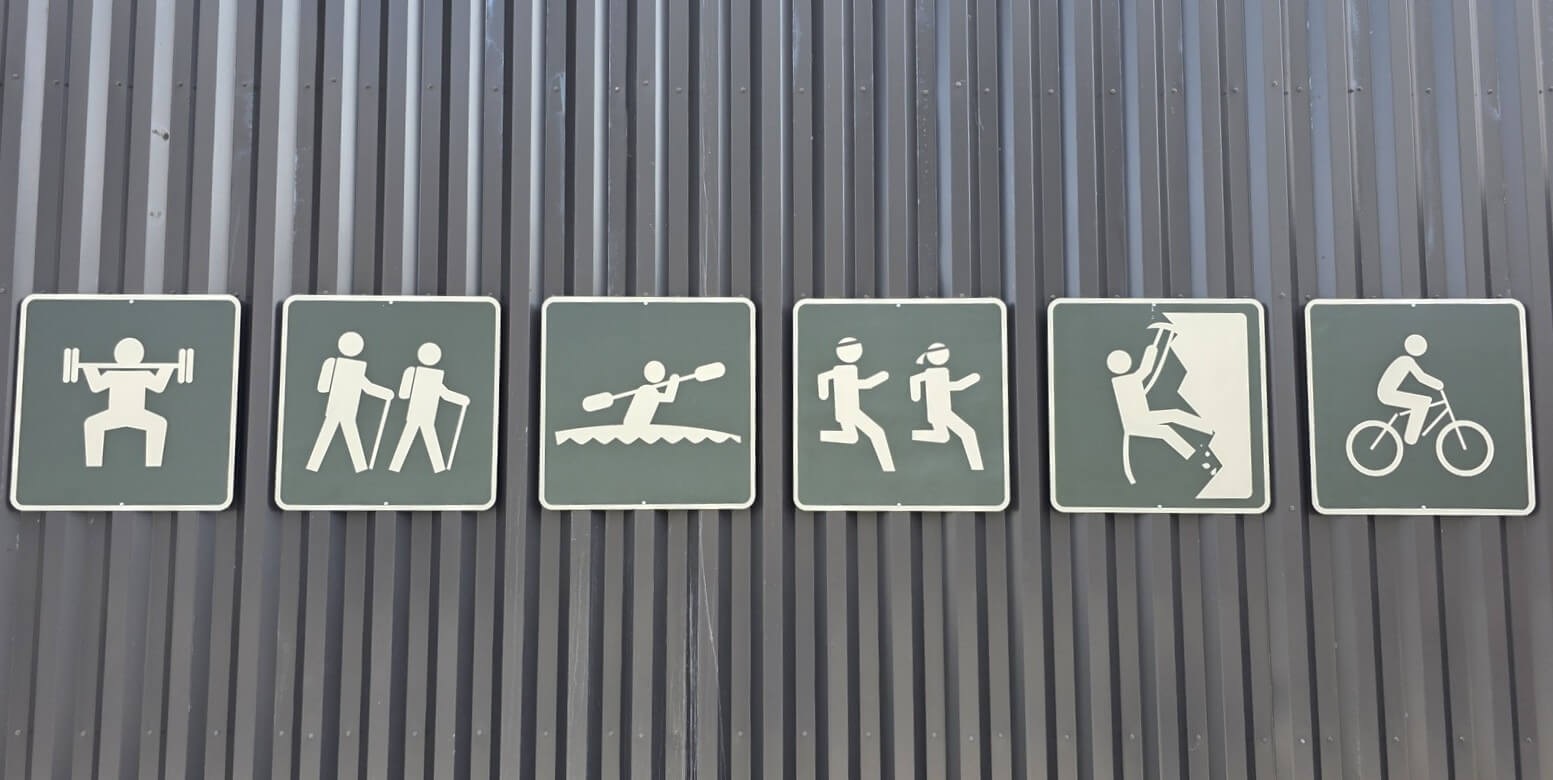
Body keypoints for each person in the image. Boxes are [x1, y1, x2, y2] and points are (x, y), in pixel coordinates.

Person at [1107, 331, 1214, 465]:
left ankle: (1208, 428)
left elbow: (1145, 370)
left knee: (1175, 414)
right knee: (1166, 431)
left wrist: (1153, 349)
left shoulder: (1128, 379)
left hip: (1144, 417)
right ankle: (1192, 457)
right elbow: (1145, 370)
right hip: (1136, 424)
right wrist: (1152, 349)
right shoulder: (1122, 382)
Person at [305, 331, 394, 472]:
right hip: (345, 409)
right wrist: (385, 394)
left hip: (341, 410)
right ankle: (360, 468)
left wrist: (386, 393)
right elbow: (367, 387)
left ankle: (315, 466)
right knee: (344, 437)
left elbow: (323, 388)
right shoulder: (346, 366)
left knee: (333, 436)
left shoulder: (335, 364)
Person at [82, 337, 175, 468]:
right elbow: (96, 386)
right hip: (114, 414)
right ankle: (93, 463)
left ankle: (153, 463)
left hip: (138, 414)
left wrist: (167, 369)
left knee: (159, 424)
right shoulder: (113, 374)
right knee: (92, 424)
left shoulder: (142, 374)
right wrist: (89, 369)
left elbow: (158, 386)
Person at [388, 342, 471, 473]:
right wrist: (462, 400)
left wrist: (461, 400)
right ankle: (438, 469)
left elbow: (404, 395)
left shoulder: (415, 373)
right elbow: (445, 394)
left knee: (411, 439)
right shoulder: (429, 376)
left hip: (418, 414)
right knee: (424, 439)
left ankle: (395, 467)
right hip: (426, 415)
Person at [817, 336, 895, 471]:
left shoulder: (849, 370)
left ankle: (822, 435)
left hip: (850, 411)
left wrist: (878, 378)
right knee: (877, 433)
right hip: (849, 412)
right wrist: (823, 393)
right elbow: (823, 377)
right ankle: (888, 468)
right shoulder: (841, 370)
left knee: (851, 436)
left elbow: (861, 384)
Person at [908, 342, 984, 470]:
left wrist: (916, 394)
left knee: (942, 436)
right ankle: (977, 466)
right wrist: (971, 379)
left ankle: (912, 435)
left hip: (940, 412)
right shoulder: (935, 373)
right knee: (968, 434)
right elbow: (955, 386)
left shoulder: (938, 372)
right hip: (941, 413)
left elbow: (916, 379)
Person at [1376, 334, 1444, 445]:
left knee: (1424, 401)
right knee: (1423, 402)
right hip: (1387, 394)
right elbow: (1421, 377)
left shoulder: (1404, 359)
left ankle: (1411, 436)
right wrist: (1438, 385)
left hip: (1387, 392)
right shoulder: (1406, 360)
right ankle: (1410, 438)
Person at [620, 360, 681, 432]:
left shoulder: (645, 390)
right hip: (635, 426)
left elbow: (668, 397)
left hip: (635, 425)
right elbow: (668, 397)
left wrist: (674, 382)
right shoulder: (647, 390)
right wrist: (674, 382)